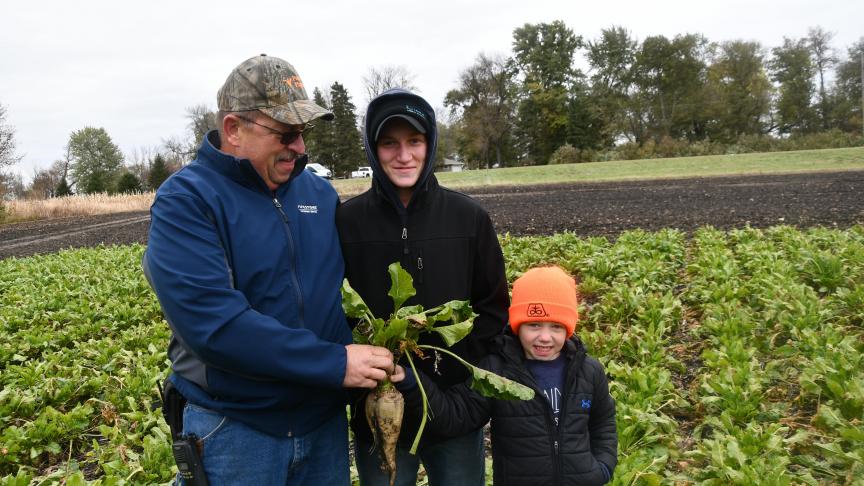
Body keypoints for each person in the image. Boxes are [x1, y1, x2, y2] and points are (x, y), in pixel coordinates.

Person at [143, 54, 396, 485]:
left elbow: (344, 294)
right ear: (233, 129)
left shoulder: (318, 193)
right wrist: (335, 363)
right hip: (237, 429)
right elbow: (214, 325)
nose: (300, 147)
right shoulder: (187, 201)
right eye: (285, 133)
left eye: (303, 133)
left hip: (323, 427)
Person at [336, 88, 509, 486]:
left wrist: (466, 386)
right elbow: (336, 308)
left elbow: (493, 308)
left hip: (453, 409)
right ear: (373, 149)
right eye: (389, 143)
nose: (403, 155)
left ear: (429, 145)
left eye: (415, 141)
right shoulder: (347, 222)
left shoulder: (468, 217)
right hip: (379, 407)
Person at [397, 265, 618, 486]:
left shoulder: (589, 370)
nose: (545, 337)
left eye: (556, 327)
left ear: (568, 329)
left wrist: (603, 467)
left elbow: (603, 421)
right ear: (517, 326)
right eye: (534, 325)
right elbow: (456, 414)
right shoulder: (497, 371)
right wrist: (412, 382)